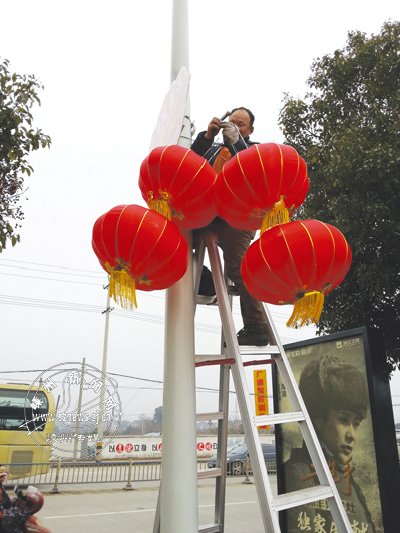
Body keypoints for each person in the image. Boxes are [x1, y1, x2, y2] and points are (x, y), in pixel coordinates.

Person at [191, 107, 270, 346]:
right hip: (206, 213)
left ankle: (256, 327)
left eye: (240, 125)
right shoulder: (213, 149)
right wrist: (207, 137)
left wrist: (236, 143)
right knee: (177, 243)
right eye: (231, 122)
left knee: (239, 268)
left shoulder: (254, 149)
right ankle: (206, 282)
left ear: (250, 130)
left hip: (238, 217)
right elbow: (188, 163)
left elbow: (253, 170)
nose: (234, 126)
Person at [283, 355, 377, 533]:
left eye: (356, 423)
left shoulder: (347, 477)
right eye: (343, 420)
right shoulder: (298, 475)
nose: (351, 435)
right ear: (318, 419)